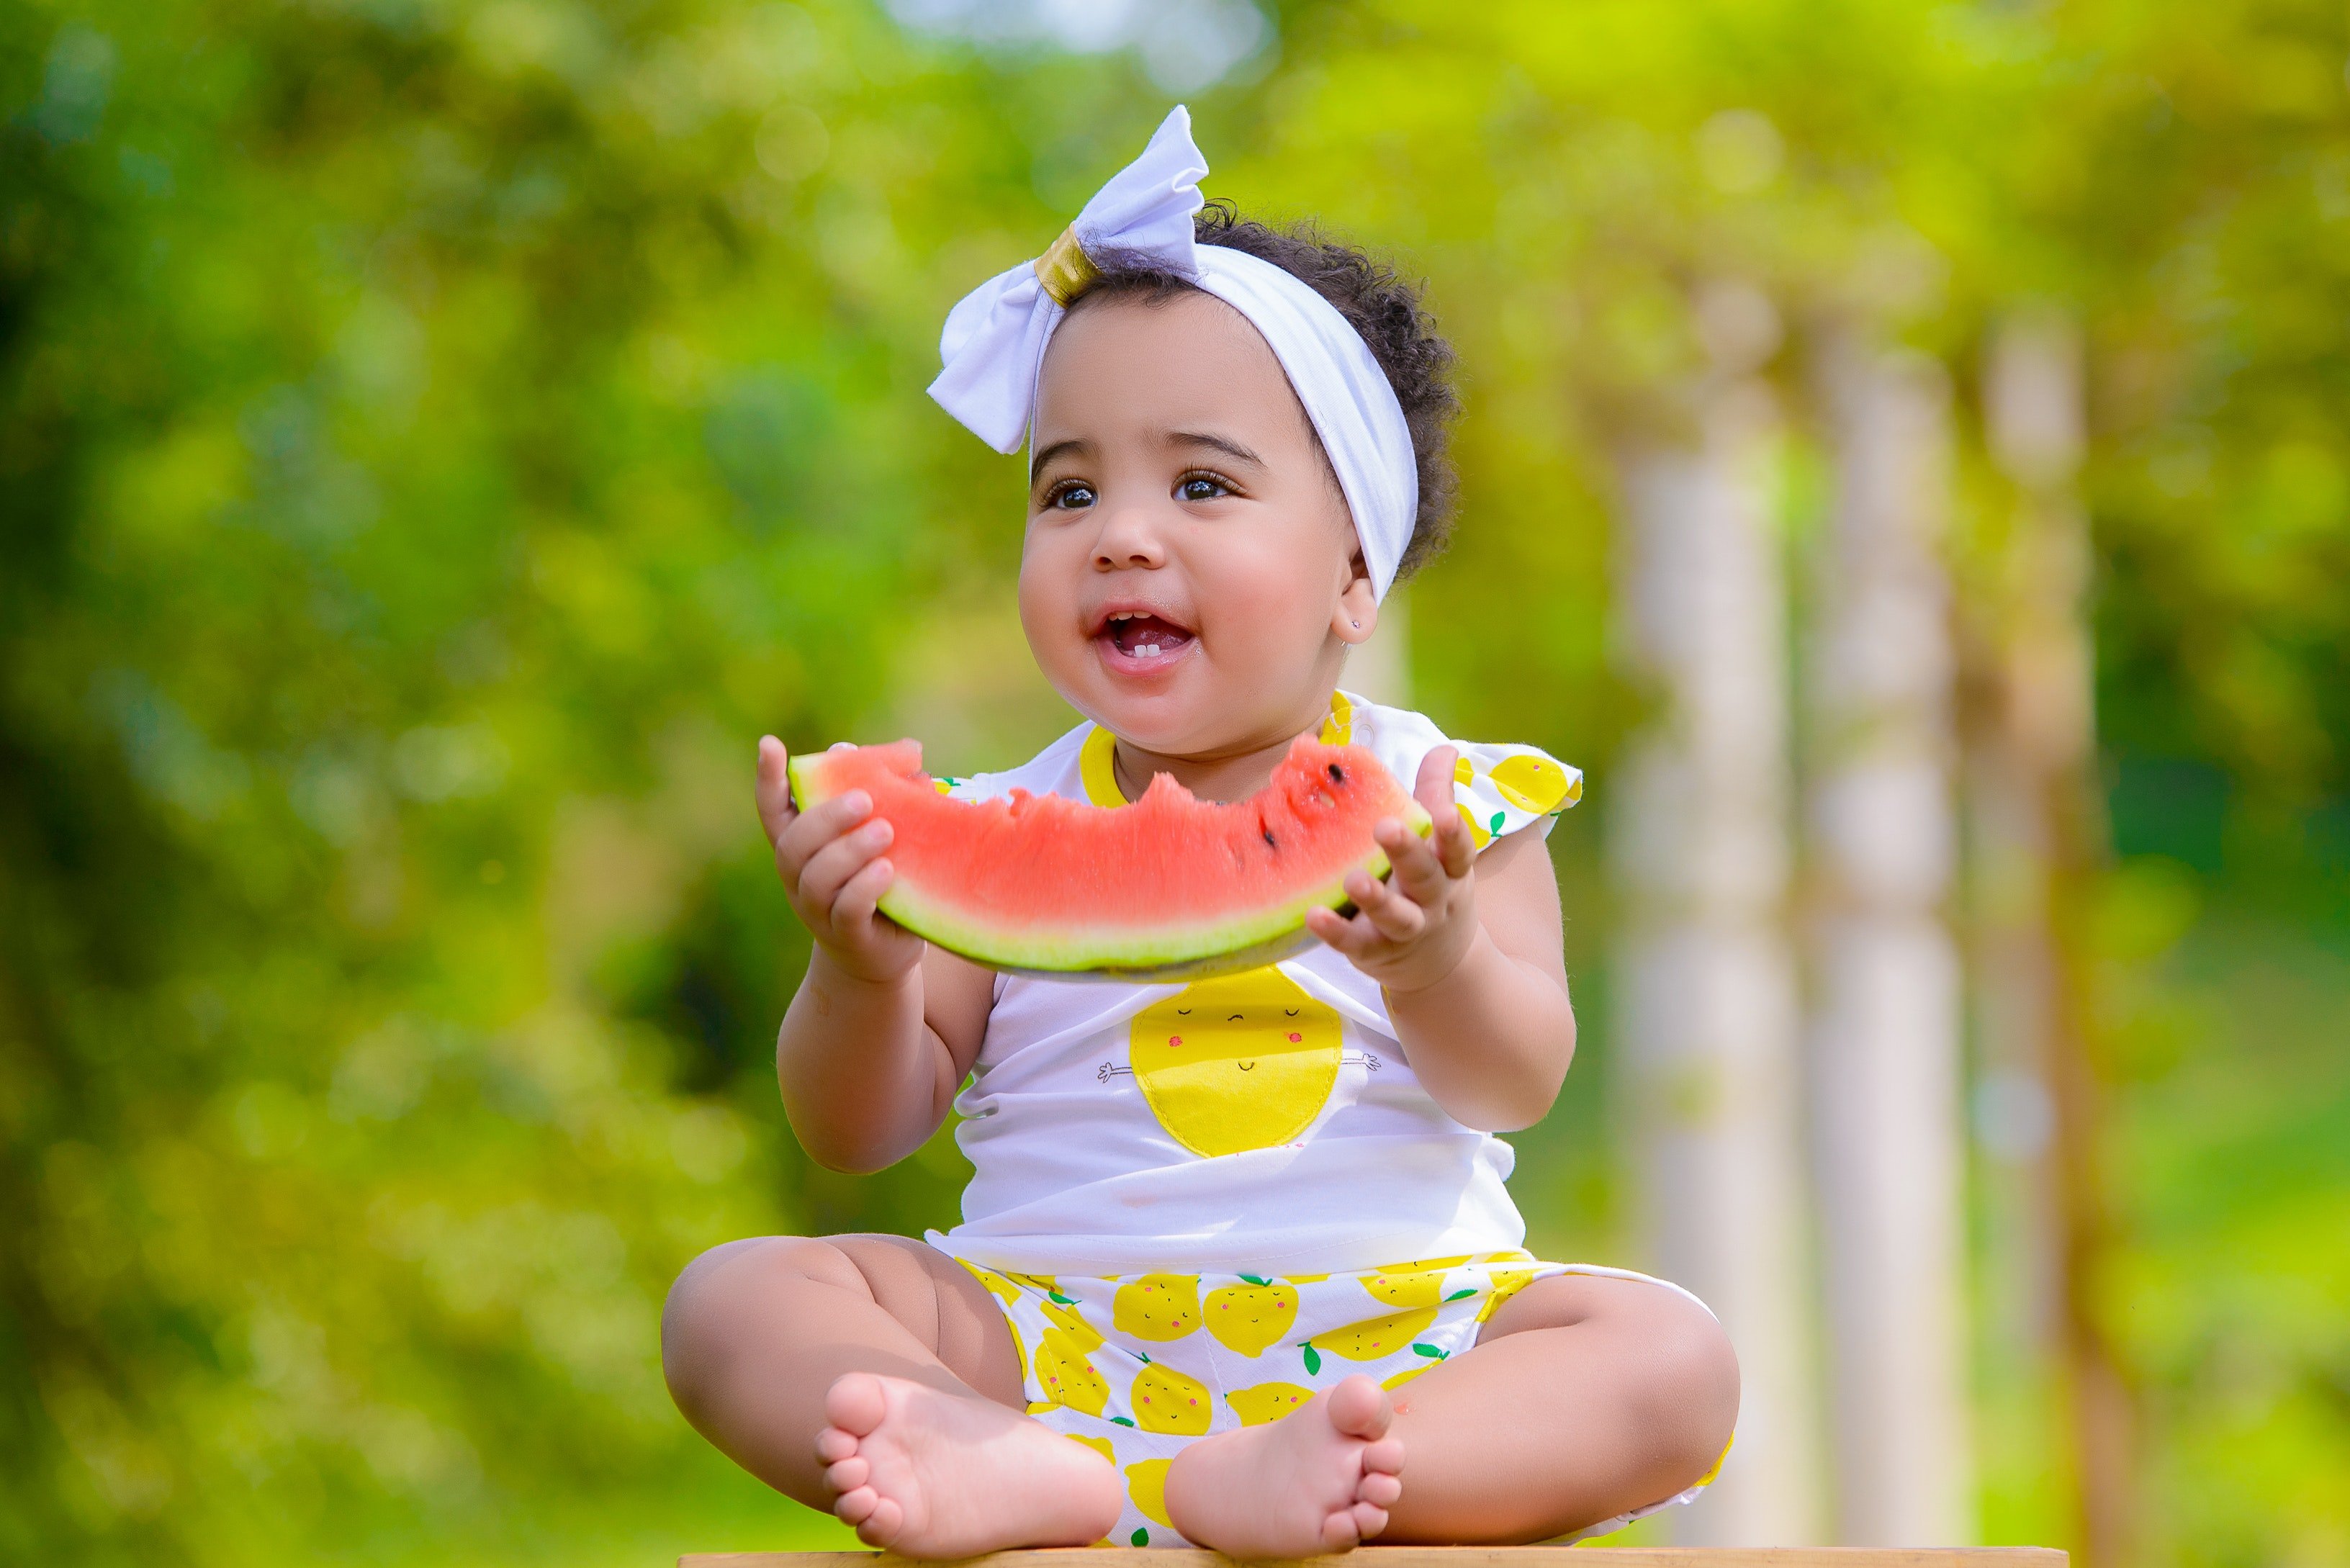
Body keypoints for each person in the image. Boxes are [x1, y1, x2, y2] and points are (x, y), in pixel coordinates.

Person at [660, 107, 1737, 1559]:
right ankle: (996, 1461)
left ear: (1355, 569)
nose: (1120, 531)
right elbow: (860, 1129)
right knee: (730, 1300)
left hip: (1394, 1342)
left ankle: (1358, 1473)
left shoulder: (1448, 802)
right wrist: (857, 975)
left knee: (1670, 1356)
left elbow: (1517, 1078)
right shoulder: (989, 829)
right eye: (1070, 487)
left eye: (1203, 484)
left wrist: (1437, 961)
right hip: (1046, 1346)